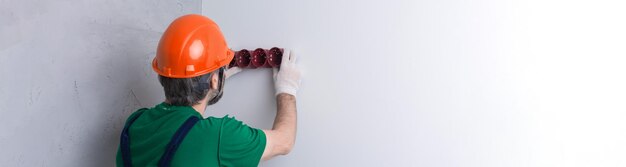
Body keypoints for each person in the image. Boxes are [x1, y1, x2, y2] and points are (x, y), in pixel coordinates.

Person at [115, 14, 301, 167]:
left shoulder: (135, 124)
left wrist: (212, 81)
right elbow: (284, 142)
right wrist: (287, 89)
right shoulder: (220, 135)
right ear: (214, 80)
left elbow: (185, 130)